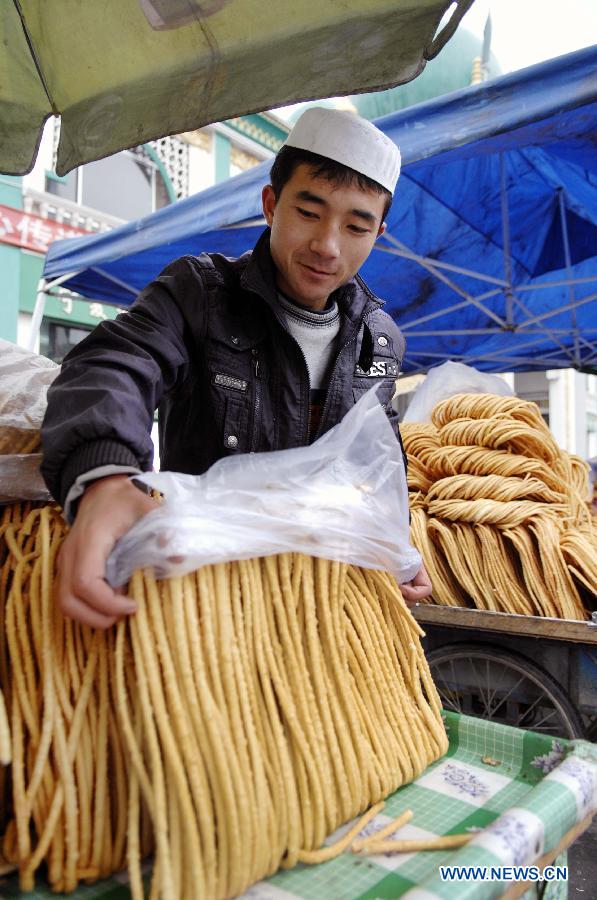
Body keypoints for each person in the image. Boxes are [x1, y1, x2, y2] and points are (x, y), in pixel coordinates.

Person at [41, 107, 432, 628]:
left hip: (322, 610)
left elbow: (376, 457)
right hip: (200, 597)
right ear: (271, 204)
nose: (327, 245)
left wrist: (392, 538)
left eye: (356, 225)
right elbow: (115, 362)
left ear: (379, 231)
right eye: (309, 212)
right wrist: (104, 477)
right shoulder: (199, 294)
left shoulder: (379, 340)